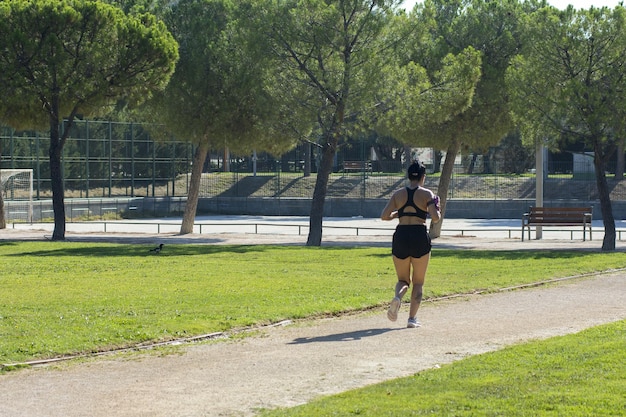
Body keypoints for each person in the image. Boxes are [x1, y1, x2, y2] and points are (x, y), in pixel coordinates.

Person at [380, 160, 441, 328]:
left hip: (401, 235)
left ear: (408, 176)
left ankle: (398, 298)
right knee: (418, 282)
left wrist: (396, 215)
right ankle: (412, 319)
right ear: (423, 177)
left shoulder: (398, 194)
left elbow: (384, 216)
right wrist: (437, 207)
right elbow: (435, 218)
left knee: (403, 280)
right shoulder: (427, 194)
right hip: (419, 235)